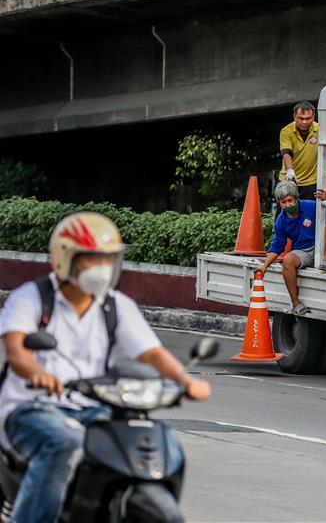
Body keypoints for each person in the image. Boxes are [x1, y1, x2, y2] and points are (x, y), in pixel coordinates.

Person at [0, 212, 211, 523]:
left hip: (93, 408)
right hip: (30, 408)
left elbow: (152, 354)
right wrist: (38, 375)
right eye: (92, 259)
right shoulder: (31, 298)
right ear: (65, 259)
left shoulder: (116, 305)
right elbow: (17, 350)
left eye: (108, 259)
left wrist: (184, 379)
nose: (101, 268)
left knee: (139, 443)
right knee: (65, 443)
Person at [255, 181, 326, 316]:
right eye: (283, 202)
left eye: (290, 200)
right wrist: (264, 267)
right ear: (279, 203)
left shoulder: (311, 205)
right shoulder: (280, 221)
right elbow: (277, 246)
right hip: (302, 252)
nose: (287, 204)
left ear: (296, 198)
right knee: (288, 259)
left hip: (323, 246)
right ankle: (296, 303)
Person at [279, 101, 326, 200]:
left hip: (311, 182)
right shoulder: (286, 131)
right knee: (286, 211)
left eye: (308, 118)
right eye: (300, 118)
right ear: (294, 117)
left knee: (309, 213)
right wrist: (290, 170)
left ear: (314, 116)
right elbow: (286, 153)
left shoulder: (321, 130)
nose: (304, 122)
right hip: (289, 180)